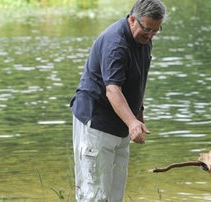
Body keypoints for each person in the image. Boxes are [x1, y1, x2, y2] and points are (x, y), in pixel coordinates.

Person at [69, 0, 166, 201]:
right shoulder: (116, 43)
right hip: (96, 123)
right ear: (132, 20)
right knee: (94, 194)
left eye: (155, 31)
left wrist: (138, 117)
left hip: (120, 124)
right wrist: (132, 123)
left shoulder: (144, 40)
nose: (150, 36)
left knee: (114, 195)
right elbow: (112, 90)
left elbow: (138, 81)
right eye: (147, 30)